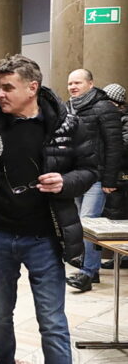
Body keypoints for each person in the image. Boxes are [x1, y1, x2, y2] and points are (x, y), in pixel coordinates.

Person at [0, 54, 97, 363]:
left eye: (8, 87)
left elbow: (89, 169)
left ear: (32, 88)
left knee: (52, 323)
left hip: (45, 240)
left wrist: (65, 181)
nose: (0, 94)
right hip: (0, 237)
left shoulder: (66, 125)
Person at [64, 70, 123, 292]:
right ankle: (92, 270)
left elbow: (114, 146)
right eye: (70, 83)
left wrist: (109, 179)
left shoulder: (105, 107)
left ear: (90, 83)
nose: (73, 86)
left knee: (88, 222)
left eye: (77, 82)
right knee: (81, 224)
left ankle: (86, 273)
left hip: (97, 177)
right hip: (75, 176)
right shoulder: (68, 108)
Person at [100, 83, 128, 269]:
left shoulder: (124, 121)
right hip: (113, 174)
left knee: (120, 217)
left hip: (121, 176)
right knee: (114, 215)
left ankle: (123, 257)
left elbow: (122, 147)